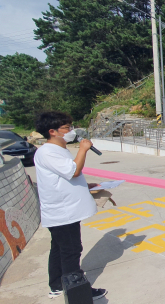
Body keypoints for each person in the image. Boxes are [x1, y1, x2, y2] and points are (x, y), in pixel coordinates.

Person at [34, 111, 107, 300]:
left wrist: (85, 185)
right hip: (63, 212)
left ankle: (57, 285)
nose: (71, 130)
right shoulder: (47, 151)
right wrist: (82, 149)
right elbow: (73, 171)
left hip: (64, 210)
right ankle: (77, 290)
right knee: (72, 250)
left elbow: (64, 177)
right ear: (52, 131)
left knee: (59, 248)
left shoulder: (57, 150)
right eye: (67, 127)